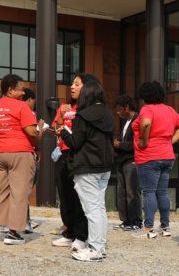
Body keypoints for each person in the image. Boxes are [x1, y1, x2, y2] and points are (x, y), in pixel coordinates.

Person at [58, 74, 115, 262]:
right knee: (99, 208)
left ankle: (96, 249)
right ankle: (99, 245)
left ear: (86, 95)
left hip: (87, 167)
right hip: (104, 167)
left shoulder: (83, 115)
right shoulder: (107, 114)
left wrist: (64, 132)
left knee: (92, 210)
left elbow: (75, 142)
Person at [0, 74, 39, 246]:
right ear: (11, 90)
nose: (23, 92)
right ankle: (13, 232)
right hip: (19, 151)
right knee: (19, 192)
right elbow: (31, 132)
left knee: (1, 191)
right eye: (21, 89)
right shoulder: (21, 106)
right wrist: (38, 145)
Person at [132, 80, 179, 239]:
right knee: (162, 192)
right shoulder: (169, 110)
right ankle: (165, 226)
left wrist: (145, 140)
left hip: (149, 157)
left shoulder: (147, 109)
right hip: (167, 155)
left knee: (148, 192)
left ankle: (148, 228)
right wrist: (171, 140)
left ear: (144, 96)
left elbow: (146, 122)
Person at [50, 77, 90, 249]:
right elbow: (56, 129)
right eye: (72, 84)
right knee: (64, 193)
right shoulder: (64, 106)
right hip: (63, 153)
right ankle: (69, 231)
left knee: (78, 196)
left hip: (79, 153)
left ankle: (81, 234)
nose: (71, 87)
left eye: (76, 84)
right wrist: (60, 115)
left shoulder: (87, 107)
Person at [112, 95, 141, 231]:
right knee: (121, 191)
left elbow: (137, 144)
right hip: (122, 160)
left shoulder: (137, 120)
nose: (118, 113)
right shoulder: (126, 122)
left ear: (127, 107)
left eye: (119, 109)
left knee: (132, 192)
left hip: (132, 160)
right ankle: (126, 220)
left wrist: (120, 145)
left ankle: (136, 220)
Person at [22, 88, 40, 233]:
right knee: (25, 190)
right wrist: (39, 129)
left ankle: (9, 222)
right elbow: (33, 134)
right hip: (26, 154)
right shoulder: (27, 113)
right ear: (29, 99)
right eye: (34, 101)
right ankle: (25, 222)